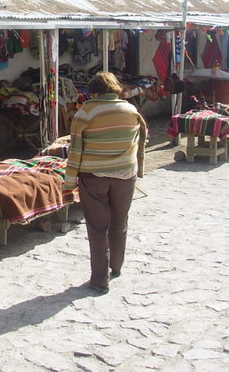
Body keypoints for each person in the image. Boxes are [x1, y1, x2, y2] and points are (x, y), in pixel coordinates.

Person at [64, 71, 146, 294]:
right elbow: (140, 140)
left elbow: (76, 150)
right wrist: (140, 167)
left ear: (94, 92)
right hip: (125, 174)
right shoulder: (131, 110)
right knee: (120, 221)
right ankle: (116, 266)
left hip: (94, 177)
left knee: (98, 228)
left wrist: (69, 182)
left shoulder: (85, 112)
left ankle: (100, 280)